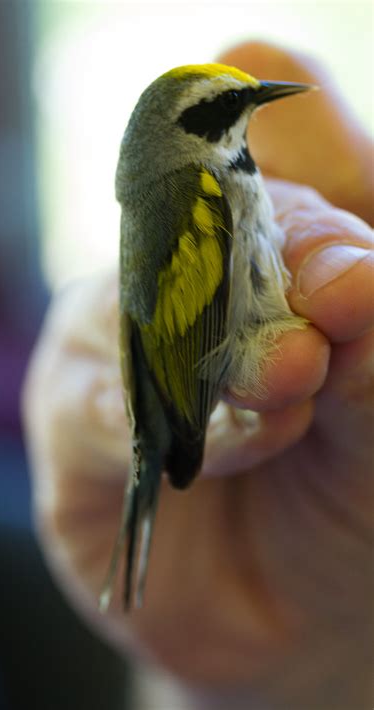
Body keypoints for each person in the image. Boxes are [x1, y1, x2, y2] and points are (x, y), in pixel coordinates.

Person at [23, 42, 373, 710]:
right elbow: (203, 332)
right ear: (193, 134)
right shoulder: (202, 186)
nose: (251, 105)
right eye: (224, 105)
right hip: (210, 383)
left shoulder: (202, 180)